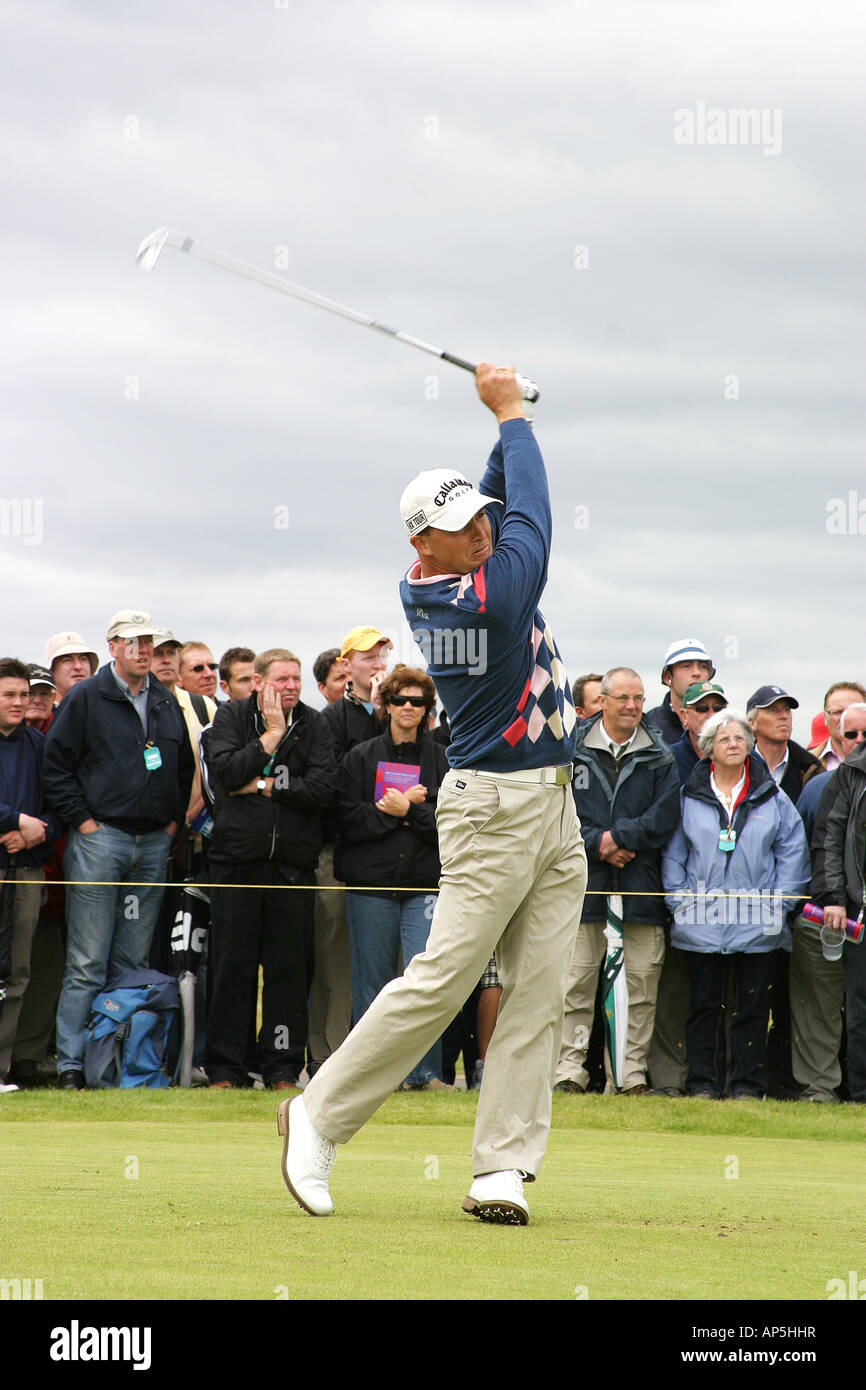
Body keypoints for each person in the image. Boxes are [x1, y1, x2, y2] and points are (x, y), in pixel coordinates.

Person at [280, 362, 587, 1226]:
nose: (480, 531)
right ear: (425, 548)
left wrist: (498, 436)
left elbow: (501, 503)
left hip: (554, 806)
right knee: (445, 975)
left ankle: (503, 1168)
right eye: (460, 528)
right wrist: (514, 417)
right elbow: (532, 518)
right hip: (494, 806)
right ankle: (318, 1111)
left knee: (539, 988)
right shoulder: (473, 601)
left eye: (477, 518)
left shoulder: (469, 558)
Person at [42, 610, 194, 1090]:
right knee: (87, 960)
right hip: (100, 839)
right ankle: (71, 1062)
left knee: (130, 964)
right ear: (112, 648)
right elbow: (56, 766)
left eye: (148, 642)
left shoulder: (167, 701)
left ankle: (117, 1062)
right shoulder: (87, 697)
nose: (143, 649)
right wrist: (83, 822)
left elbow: (182, 769)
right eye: (133, 642)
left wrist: (171, 824)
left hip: (151, 843)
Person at [205, 648, 335, 1089]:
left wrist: (263, 784)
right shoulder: (230, 719)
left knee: (287, 972)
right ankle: (226, 1067)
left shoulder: (316, 725)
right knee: (232, 968)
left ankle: (280, 1067)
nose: (292, 687)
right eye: (282, 679)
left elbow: (321, 790)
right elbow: (224, 774)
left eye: (296, 679)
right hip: (236, 865)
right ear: (259, 682)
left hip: (292, 869)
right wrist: (271, 737)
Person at [662, 710, 810, 1099]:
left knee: (752, 1010)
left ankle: (747, 1086)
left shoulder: (773, 799)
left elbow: (792, 855)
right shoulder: (687, 796)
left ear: (749, 746)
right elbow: (673, 857)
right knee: (704, 1008)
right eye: (724, 739)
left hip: (758, 925)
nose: (733, 744)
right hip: (700, 923)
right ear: (709, 748)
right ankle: (702, 1084)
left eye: (740, 738)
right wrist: (681, 906)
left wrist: (777, 910)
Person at [555, 667, 680, 1095]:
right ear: (603, 700)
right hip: (582, 885)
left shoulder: (660, 755)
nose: (632, 707)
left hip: (640, 885)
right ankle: (569, 1072)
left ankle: (628, 1076)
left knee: (641, 985)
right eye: (623, 698)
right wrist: (597, 843)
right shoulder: (570, 749)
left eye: (639, 699)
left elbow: (664, 817)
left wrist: (619, 839)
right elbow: (558, 811)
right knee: (575, 982)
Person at [334, 664, 450, 1089]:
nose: (408, 707)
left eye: (417, 701)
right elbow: (346, 820)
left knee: (427, 984)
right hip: (371, 887)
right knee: (373, 984)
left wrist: (411, 811)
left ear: (426, 709)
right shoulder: (360, 757)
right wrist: (390, 811)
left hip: (423, 887)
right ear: (385, 705)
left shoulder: (444, 759)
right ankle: (367, 1077)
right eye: (399, 699)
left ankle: (427, 1073)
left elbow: (453, 820)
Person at [649, 680, 729, 1097]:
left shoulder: (739, 764)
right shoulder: (667, 760)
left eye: (718, 707)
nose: (709, 714)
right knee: (673, 994)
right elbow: (664, 828)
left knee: (717, 999)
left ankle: (716, 1080)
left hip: (729, 911)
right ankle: (667, 1081)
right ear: (682, 715)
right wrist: (679, 902)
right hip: (669, 896)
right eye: (701, 708)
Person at [746, 684, 821, 1097]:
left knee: (792, 1001)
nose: (782, 717)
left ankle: (783, 1080)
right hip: (744, 909)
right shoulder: (736, 763)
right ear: (752, 721)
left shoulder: (809, 769)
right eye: (771, 711)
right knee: (751, 997)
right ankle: (750, 1078)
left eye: (787, 710)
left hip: (797, 904)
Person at [0, 659, 61, 1089]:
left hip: (25, 871)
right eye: (10, 695)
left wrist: (35, 834)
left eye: (25, 694)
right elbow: (20, 815)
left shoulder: (40, 747)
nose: (20, 702)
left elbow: (58, 808)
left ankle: (2, 1068)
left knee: (17, 972)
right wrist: (13, 820)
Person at [814, 706, 866, 1104]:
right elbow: (830, 839)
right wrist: (833, 899)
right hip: (857, 911)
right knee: (860, 1009)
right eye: (853, 735)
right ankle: (861, 1094)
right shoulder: (846, 777)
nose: (861, 742)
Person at [647, 639, 715, 746]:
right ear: (668, 677)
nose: (696, 673)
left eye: (703, 667)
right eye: (686, 666)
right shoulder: (649, 726)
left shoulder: (724, 724)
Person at [808, 683, 866, 772]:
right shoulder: (806, 763)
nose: (844, 717)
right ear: (825, 718)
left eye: (853, 710)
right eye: (838, 712)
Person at [44, 632, 99, 701]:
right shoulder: (41, 710)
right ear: (52, 670)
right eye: (67, 660)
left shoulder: (105, 708)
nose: (78, 667)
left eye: (83, 659)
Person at [24, 666, 57, 732]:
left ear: (53, 698)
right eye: (30, 693)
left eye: (44, 694)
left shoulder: (64, 731)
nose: (37, 700)